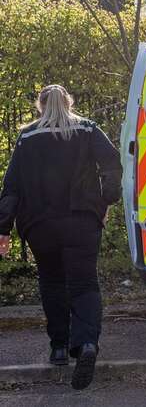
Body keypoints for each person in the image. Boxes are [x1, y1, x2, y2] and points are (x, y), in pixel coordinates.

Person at [0, 85, 122, 390]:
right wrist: (106, 201)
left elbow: (11, 186)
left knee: (52, 282)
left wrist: (3, 229)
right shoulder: (88, 129)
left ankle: (58, 346)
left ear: (40, 106)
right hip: (81, 220)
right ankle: (86, 345)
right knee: (84, 285)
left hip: (40, 226)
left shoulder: (27, 138)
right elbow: (112, 163)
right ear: (69, 102)